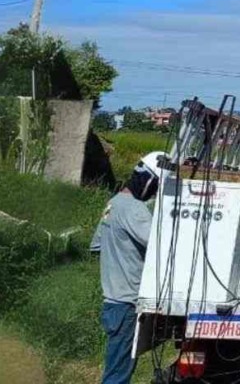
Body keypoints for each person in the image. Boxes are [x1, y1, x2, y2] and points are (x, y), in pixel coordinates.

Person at [91, 154, 160, 384]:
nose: (154, 194)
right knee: (118, 374)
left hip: (112, 300)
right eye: (156, 187)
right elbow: (162, 246)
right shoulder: (135, 209)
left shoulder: (113, 203)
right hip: (127, 303)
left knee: (116, 367)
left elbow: (98, 245)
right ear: (149, 181)